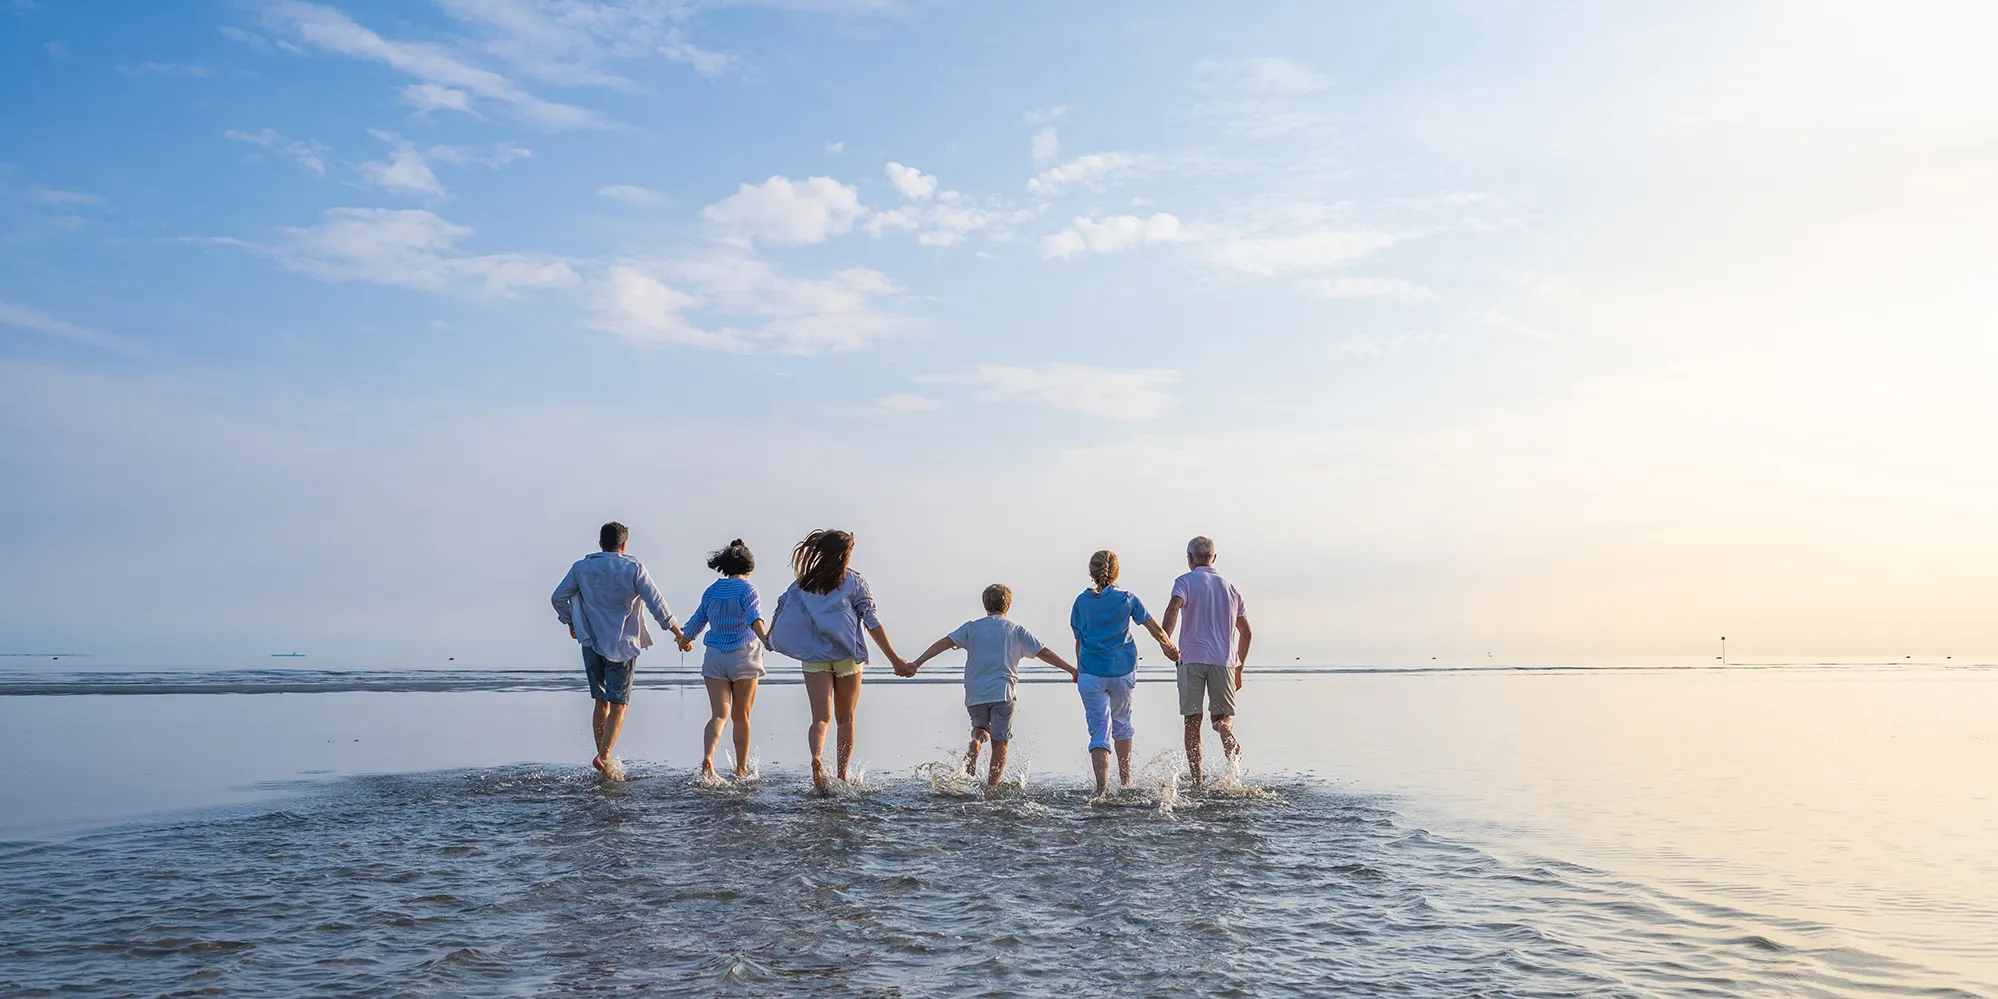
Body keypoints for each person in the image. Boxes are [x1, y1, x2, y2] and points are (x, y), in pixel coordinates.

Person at [767, 529, 910, 787]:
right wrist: (895, 659)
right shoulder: (854, 581)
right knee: (846, 719)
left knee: (820, 719)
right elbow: (871, 620)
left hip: (814, 657)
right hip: (847, 656)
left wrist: (770, 635)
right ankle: (842, 776)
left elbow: (782, 604)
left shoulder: (803, 583)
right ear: (845, 553)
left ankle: (816, 758)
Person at [900, 583, 1079, 787]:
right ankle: (992, 788)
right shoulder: (1015, 630)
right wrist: (1072, 670)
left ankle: (976, 743)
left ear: (985, 605)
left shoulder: (972, 627)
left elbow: (944, 642)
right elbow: (1044, 652)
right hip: (1003, 693)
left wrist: (917, 663)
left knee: (980, 728)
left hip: (975, 693)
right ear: (1008, 606)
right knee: (1000, 743)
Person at [550, 521, 685, 776]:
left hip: (591, 642)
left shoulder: (581, 568)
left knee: (601, 702)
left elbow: (558, 597)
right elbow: (658, 604)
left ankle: (603, 759)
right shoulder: (633, 568)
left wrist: (571, 621)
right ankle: (604, 756)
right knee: (619, 704)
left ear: (601, 543)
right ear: (624, 545)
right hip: (623, 644)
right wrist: (678, 634)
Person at [1069, 550, 1179, 797]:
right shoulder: (1127, 599)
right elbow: (1155, 629)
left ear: (1091, 573)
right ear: (1117, 572)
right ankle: (1127, 781)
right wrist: (1170, 648)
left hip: (1090, 673)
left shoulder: (1080, 602)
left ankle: (1101, 790)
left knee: (1099, 730)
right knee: (1122, 724)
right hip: (1122, 672)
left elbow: (1079, 640)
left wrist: (1078, 667)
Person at [677, 539, 772, 781]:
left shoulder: (712, 591)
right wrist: (767, 639)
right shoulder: (748, 589)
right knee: (742, 717)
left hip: (715, 658)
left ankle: (709, 757)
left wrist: (684, 639)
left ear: (724, 567)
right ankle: (741, 770)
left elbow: (698, 620)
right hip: (743, 655)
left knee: (719, 715)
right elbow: (754, 618)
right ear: (749, 568)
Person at [1160, 536, 1252, 784]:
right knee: (1222, 719)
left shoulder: (1185, 582)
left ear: (1190, 558)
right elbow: (1246, 632)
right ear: (1214, 558)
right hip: (1224, 662)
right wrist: (1239, 669)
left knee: (1192, 722)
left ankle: (1198, 782)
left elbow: (1173, 608)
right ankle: (1228, 746)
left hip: (1191, 659)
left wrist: (1165, 640)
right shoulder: (1230, 588)